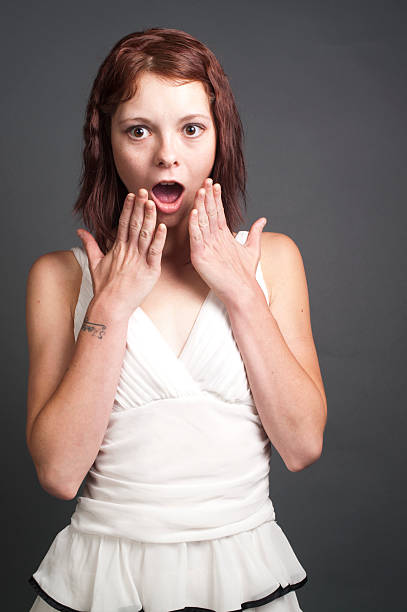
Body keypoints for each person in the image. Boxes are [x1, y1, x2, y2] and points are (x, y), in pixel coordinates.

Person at [25, 27, 327, 612]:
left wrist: (241, 293)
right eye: (139, 130)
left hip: (246, 577)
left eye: (192, 128)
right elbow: (60, 473)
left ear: (219, 137)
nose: (168, 154)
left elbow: (302, 444)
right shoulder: (59, 278)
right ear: (105, 141)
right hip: (102, 582)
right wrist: (110, 305)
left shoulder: (275, 260)